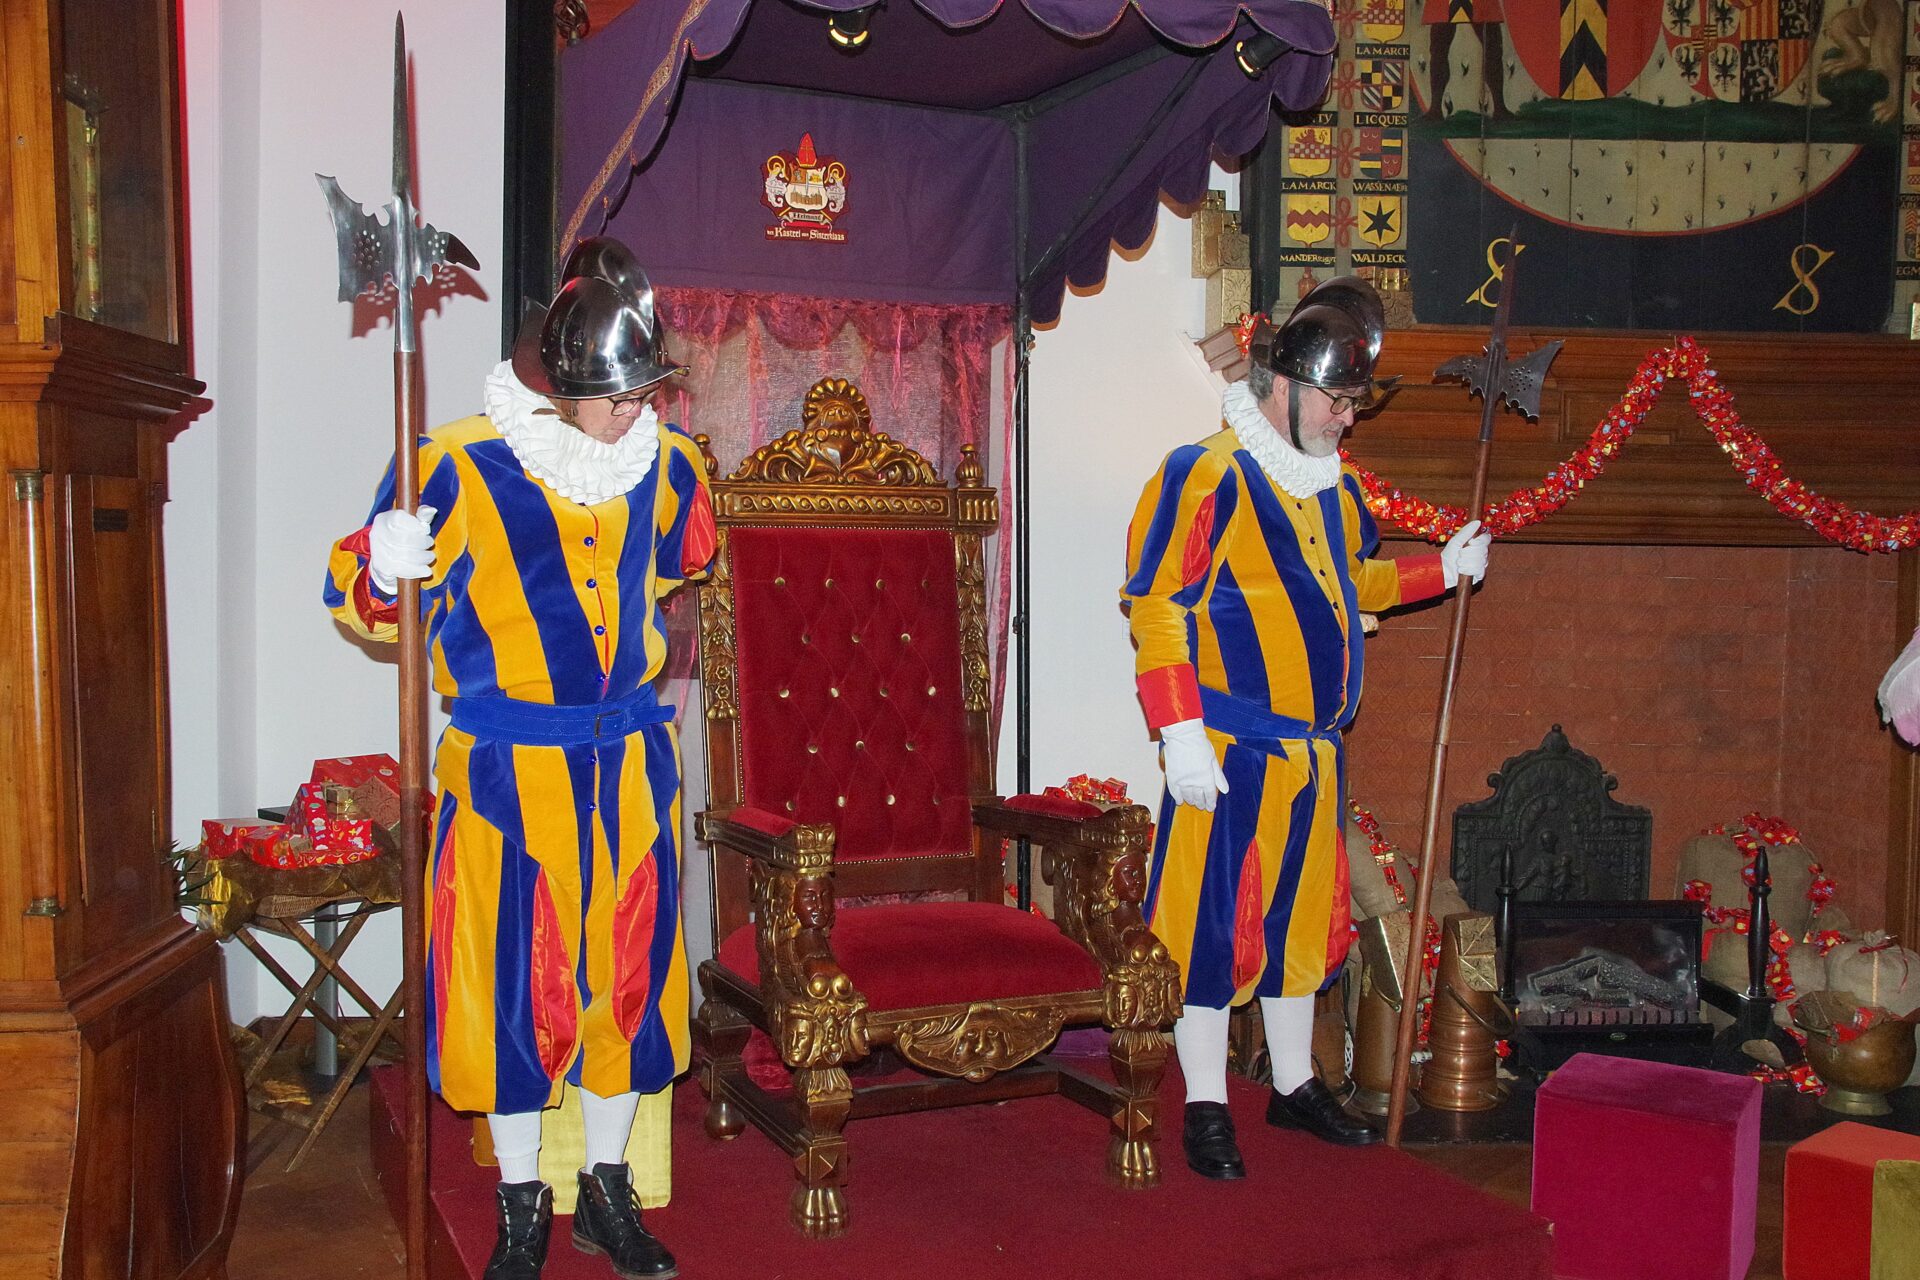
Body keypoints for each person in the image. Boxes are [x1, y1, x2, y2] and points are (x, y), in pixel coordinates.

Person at [325, 237, 714, 1278]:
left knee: (626, 986)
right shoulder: (452, 465)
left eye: (647, 394)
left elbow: (681, 566)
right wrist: (383, 566)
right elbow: (359, 599)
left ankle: (606, 1191)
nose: (638, 413)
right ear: (561, 387)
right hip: (506, 776)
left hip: (629, 771)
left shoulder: (668, 466)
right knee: (511, 990)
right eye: (620, 398)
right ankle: (519, 1201)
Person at [1119, 277, 1490, 1179]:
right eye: (1338, 398)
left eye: (1354, 402)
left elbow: (1355, 584)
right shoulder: (1203, 473)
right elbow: (1158, 604)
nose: (1347, 418)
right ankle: (1206, 1104)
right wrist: (1179, 732)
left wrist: (1439, 570)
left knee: (1294, 921)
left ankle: (1293, 1085)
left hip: (1314, 756)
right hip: (1227, 752)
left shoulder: (1334, 488)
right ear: (1282, 386)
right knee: (1210, 927)